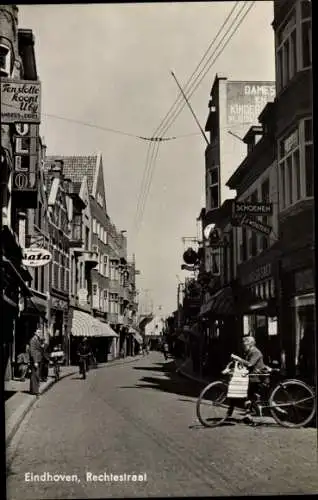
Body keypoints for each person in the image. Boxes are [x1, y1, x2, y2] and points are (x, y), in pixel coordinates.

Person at [227, 336, 270, 421]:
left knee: (242, 391)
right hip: (251, 376)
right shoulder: (248, 352)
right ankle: (248, 411)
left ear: (250, 344)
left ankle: (246, 412)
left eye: (244, 345)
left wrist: (238, 358)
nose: (243, 346)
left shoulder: (256, 352)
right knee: (239, 389)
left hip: (258, 378)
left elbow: (250, 364)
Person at [29, 328, 43, 396]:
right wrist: (35, 361)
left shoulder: (38, 339)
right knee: (36, 375)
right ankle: (35, 391)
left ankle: (33, 390)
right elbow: (32, 351)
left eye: (40, 332)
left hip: (38, 359)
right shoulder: (33, 340)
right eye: (38, 332)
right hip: (36, 360)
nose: (39, 333)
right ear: (35, 333)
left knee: (35, 375)